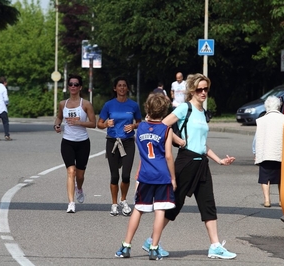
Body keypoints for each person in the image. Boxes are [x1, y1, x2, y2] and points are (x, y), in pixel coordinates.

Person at [144, 73, 237, 259]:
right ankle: (151, 241)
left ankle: (215, 246)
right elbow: (162, 126)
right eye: (199, 89)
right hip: (185, 162)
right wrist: (179, 141)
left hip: (201, 163)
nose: (203, 92)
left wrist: (218, 160)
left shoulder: (203, 112)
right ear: (192, 91)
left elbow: (201, 143)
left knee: (208, 203)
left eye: (206, 89)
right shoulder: (184, 109)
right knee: (174, 204)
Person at [115, 93, 176, 261]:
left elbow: (143, 154)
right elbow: (169, 156)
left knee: (138, 209)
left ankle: (126, 246)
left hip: (145, 175)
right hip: (162, 175)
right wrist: (173, 178)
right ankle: (154, 248)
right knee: (160, 210)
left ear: (147, 109)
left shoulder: (140, 127)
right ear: (164, 110)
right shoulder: (166, 130)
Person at [97, 77, 142, 216]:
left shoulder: (133, 105)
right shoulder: (108, 105)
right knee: (115, 176)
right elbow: (99, 123)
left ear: (127, 88)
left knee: (126, 175)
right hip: (112, 142)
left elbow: (141, 122)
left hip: (128, 142)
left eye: (124, 85)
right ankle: (114, 204)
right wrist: (106, 125)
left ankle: (123, 200)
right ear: (115, 88)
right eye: (119, 86)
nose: (122, 88)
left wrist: (134, 125)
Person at [54, 74, 96, 213]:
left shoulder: (85, 104)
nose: (73, 86)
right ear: (68, 87)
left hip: (83, 142)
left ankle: (79, 188)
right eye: (70, 84)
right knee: (71, 171)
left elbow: (93, 123)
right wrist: (57, 126)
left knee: (80, 175)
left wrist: (79, 122)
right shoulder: (63, 104)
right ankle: (71, 203)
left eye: (76, 84)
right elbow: (59, 118)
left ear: (80, 87)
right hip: (67, 142)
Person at [253, 96, 284, 208]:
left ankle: (267, 200)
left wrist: (255, 152)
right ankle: (281, 200)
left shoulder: (261, 120)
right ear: (279, 106)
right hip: (280, 153)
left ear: (266, 107)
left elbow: (256, 138)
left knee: (265, 177)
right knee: (281, 178)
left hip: (265, 153)